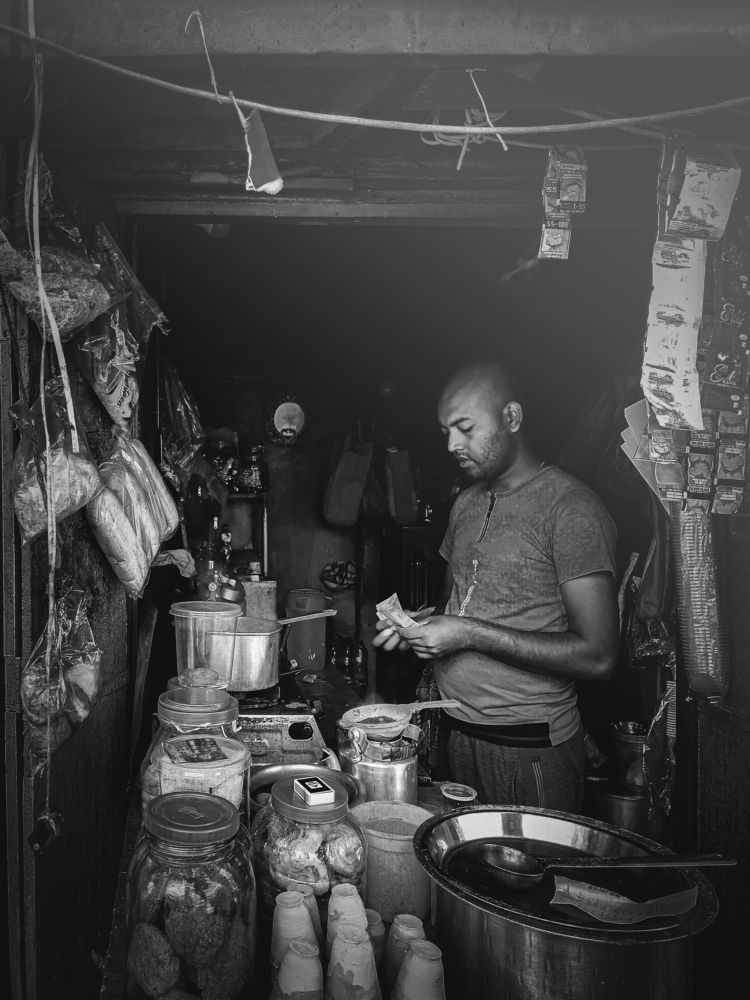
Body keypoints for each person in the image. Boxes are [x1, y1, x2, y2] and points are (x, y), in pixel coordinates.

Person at [374, 360, 618, 812]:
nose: (451, 444)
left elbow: (599, 656)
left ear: (511, 418)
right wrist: (417, 626)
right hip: (450, 732)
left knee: (522, 879)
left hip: (526, 751)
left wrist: (467, 634)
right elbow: (460, 606)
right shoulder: (466, 503)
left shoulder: (571, 509)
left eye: (465, 428)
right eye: (446, 430)